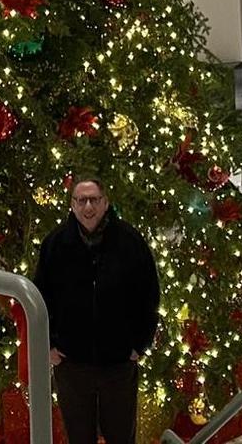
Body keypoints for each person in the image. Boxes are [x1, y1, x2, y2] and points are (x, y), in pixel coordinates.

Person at [34, 173, 160, 444]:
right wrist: (49, 346)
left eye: (93, 200)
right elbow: (40, 298)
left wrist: (140, 344)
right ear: (72, 204)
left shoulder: (130, 242)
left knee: (121, 435)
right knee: (79, 436)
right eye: (81, 200)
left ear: (105, 202)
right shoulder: (55, 245)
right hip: (72, 364)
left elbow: (148, 296)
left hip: (118, 364)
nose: (87, 207)